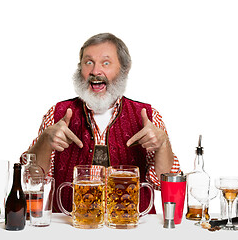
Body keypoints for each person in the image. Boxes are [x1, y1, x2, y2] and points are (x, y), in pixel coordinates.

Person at [20, 33, 181, 213]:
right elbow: (30, 180)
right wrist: (44, 141)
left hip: (130, 227)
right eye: (88, 62)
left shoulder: (148, 116)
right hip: (70, 226)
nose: (95, 71)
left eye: (106, 63)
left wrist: (163, 144)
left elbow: (165, 184)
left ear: (124, 69)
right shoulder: (57, 114)